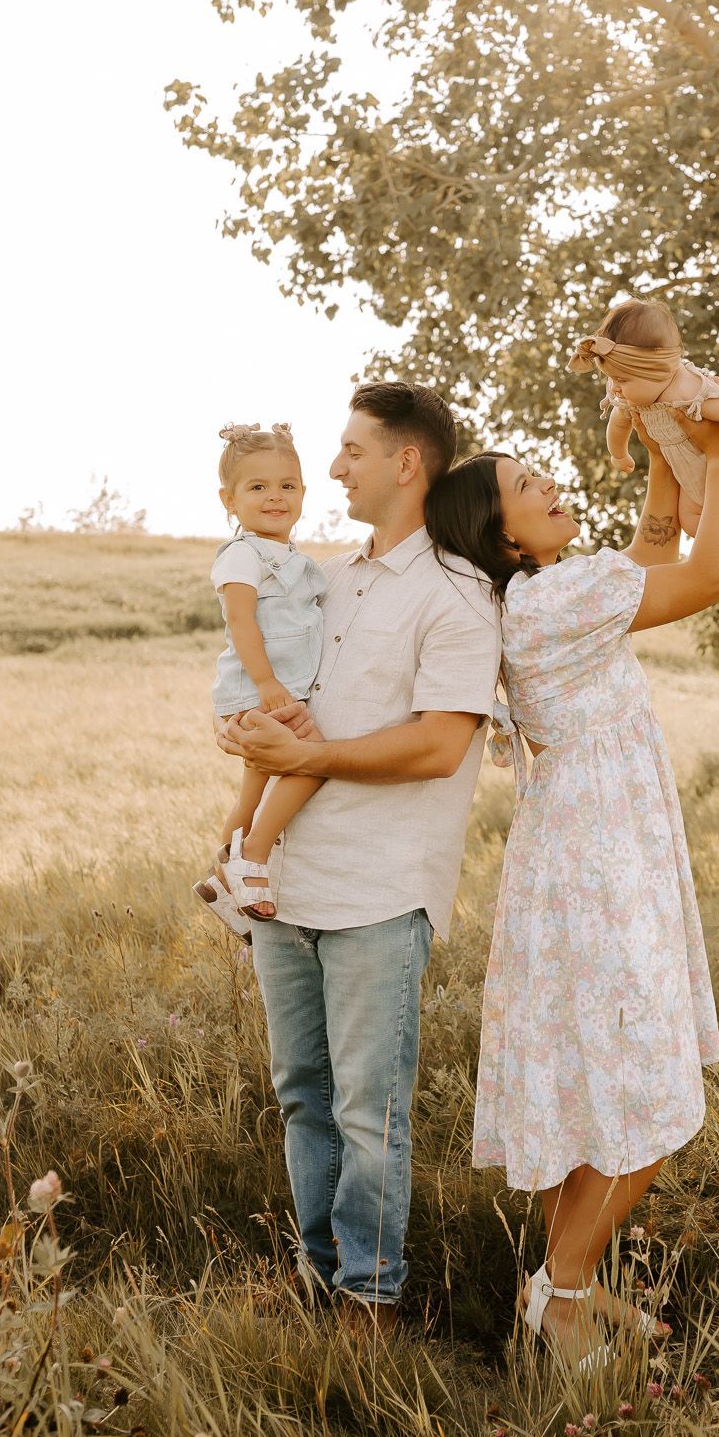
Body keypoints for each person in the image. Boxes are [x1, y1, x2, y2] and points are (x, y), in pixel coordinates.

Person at [424, 408, 719, 1366]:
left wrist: (653, 454)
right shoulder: (555, 602)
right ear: (502, 535)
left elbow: (651, 543)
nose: (550, 486)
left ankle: (569, 1280)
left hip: (588, 858)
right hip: (601, 866)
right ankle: (559, 1299)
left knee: (602, 1090)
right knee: (643, 1093)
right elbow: (711, 572)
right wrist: (718, 457)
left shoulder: (550, 595)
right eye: (527, 488)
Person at [219, 382, 500, 1330]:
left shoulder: (457, 592)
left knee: (368, 1114)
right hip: (288, 880)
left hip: (380, 888)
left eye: (349, 451)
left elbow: (438, 744)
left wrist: (312, 756)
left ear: (404, 463)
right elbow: (293, 694)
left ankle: (371, 1299)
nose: (331, 468)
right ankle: (317, 1272)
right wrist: (257, 740)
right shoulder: (327, 578)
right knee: (302, 1097)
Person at [194, 423, 327, 933]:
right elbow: (241, 622)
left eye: (287, 485)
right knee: (310, 761)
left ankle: (219, 876)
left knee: (253, 792)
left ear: (303, 493)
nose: (275, 496)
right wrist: (268, 683)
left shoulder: (296, 560)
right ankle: (251, 855)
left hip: (274, 692)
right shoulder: (242, 555)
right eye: (258, 487)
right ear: (228, 499)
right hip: (259, 691)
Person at [568, 296, 719, 557]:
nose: (615, 387)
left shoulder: (691, 391)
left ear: (656, 369)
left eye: (621, 379)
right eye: (611, 378)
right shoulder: (630, 395)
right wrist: (618, 453)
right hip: (690, 476)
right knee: (689, 522)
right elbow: (618, 424)